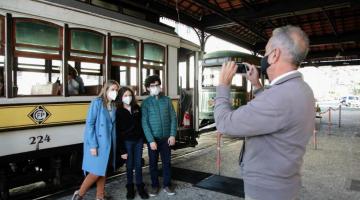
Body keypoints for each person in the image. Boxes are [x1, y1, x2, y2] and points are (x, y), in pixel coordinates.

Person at [214, 25, 315, 200]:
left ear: (275, 55)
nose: (264, 57)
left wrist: (223, 85)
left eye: (266, 52)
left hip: (266, 191)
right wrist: (257, 86)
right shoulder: (303, 89)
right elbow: (276, 115)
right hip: (286, 185)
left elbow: (224, 123)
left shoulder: (278, 97)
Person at [72, 80, 120, 200]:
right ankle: (79, 194)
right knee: (95, 172)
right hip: (98, 143)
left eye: (116, 90)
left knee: (102, 169)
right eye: (112, 89)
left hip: (109, 143)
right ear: (106, 90)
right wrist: (93, 145)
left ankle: (100, 196)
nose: (115, 92)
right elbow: (90, 124)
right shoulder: (97, 103)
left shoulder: (114, 105)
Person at [141, 75, 177, 196]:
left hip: (166, 138)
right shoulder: (146, 103)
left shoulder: (167, 100)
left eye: (157, 85)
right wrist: (150, 140)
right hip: (154, 140)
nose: (156, 87)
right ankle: (154, 185)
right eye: (152, 86)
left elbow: (173, 118)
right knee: (153, 164)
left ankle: (167, 185)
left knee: (167, 163)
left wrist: (172, 135)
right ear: (148, 88)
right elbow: (144, 123)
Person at [116, 87, 149, 199]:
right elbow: (118, 132)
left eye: (130, 95)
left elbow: (142, 125)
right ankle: (130, 187)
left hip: (138, 141)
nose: (128, 97)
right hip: (127, 142)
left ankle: (140, 187)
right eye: (125, 95)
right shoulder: (119, 111)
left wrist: (144, 140)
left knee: (138, 164)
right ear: (121, 97)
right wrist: (122, 150)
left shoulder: (136, 108)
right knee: (129, 166)